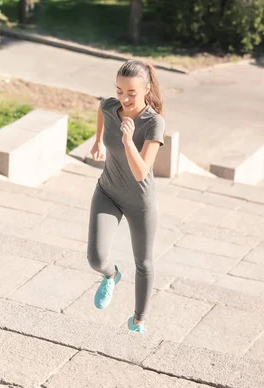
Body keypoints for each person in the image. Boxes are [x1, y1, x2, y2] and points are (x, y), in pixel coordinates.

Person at [87, 59, 165, 333]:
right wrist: (98, 140)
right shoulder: (111, 106)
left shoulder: (153, 123)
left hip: (139, 202)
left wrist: (128, 141)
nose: (124, 98)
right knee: (95, 258)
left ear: (146, 90)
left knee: (143, 262)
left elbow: (141, 171)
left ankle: (138, 321)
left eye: (131, 92)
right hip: (107, 191)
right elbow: (102, 109)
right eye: (120, 90)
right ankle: (111, 275)